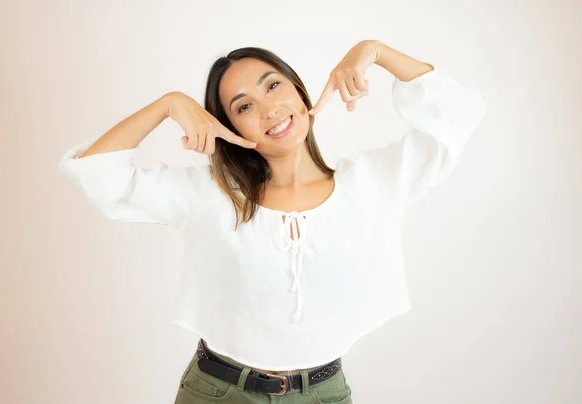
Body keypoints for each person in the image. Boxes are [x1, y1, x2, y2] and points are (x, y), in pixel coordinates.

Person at [59, 40, 487, 403]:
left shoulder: (373, 184)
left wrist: (374, 51)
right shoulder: (211, 194)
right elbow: (99, 176)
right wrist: (169, 104)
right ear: (227, 125)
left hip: (324, 393)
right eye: (244, 105)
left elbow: (455, 116)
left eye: (273, 86)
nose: (269, 109)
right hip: (218, 392)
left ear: (300, 92)